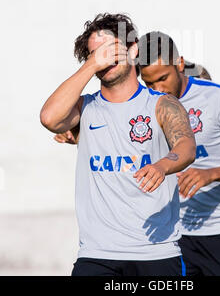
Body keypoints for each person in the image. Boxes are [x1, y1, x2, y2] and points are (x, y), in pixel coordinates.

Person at [40, 14, 196, 277]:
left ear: (133, 49)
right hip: (98, 255)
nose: (103, 59)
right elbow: (49, 118)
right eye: (95, 53)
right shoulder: (85, 107)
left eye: (110, 50)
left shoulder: (161, 104)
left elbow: (187, 147)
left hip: (156, 252)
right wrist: (89, 66)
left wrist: (162, 165)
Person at [137, 31, 220, 276]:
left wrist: (210, 175)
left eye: (163, 78)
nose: (158, 89)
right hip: (176, 235)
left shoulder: (216, 97)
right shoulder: (146, 104)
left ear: (179, 64)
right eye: (149, 83)